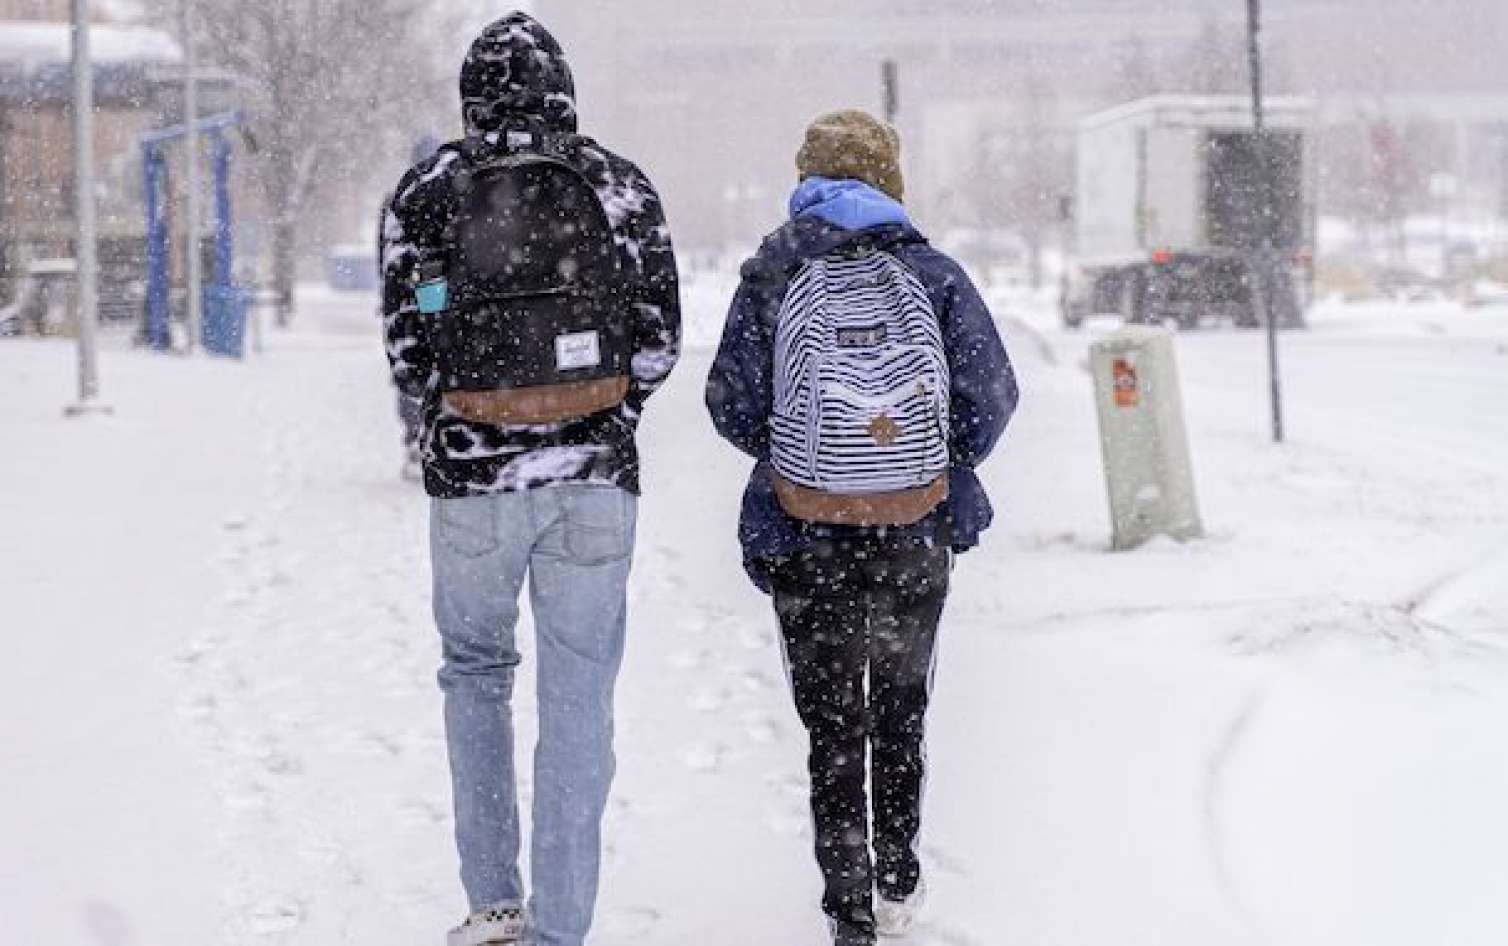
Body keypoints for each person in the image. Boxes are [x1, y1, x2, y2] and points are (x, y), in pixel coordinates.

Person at [380, 13, 680, 946]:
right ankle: (564, 925)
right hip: (593, 475)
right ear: (564, 90)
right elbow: (660, 341)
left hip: (473, 479)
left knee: (475, 674)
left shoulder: (427, 194)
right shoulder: (617, 186)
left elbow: (407, 342)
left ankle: (494, 900)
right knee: (578, 693)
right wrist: (604, 411)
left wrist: (458, 406)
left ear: (471, 95)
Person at [705, 110, 1017, 946]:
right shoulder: (935, 273)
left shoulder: (773, 272)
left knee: (834, 722)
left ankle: (847, 909)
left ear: (806, 178)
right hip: (914, 529)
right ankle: (899, 876)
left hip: (806, 532)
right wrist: (929, 463)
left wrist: (798, 458)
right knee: (901, 705)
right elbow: (993, 395)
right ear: (891, 180)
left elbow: (728, 403)